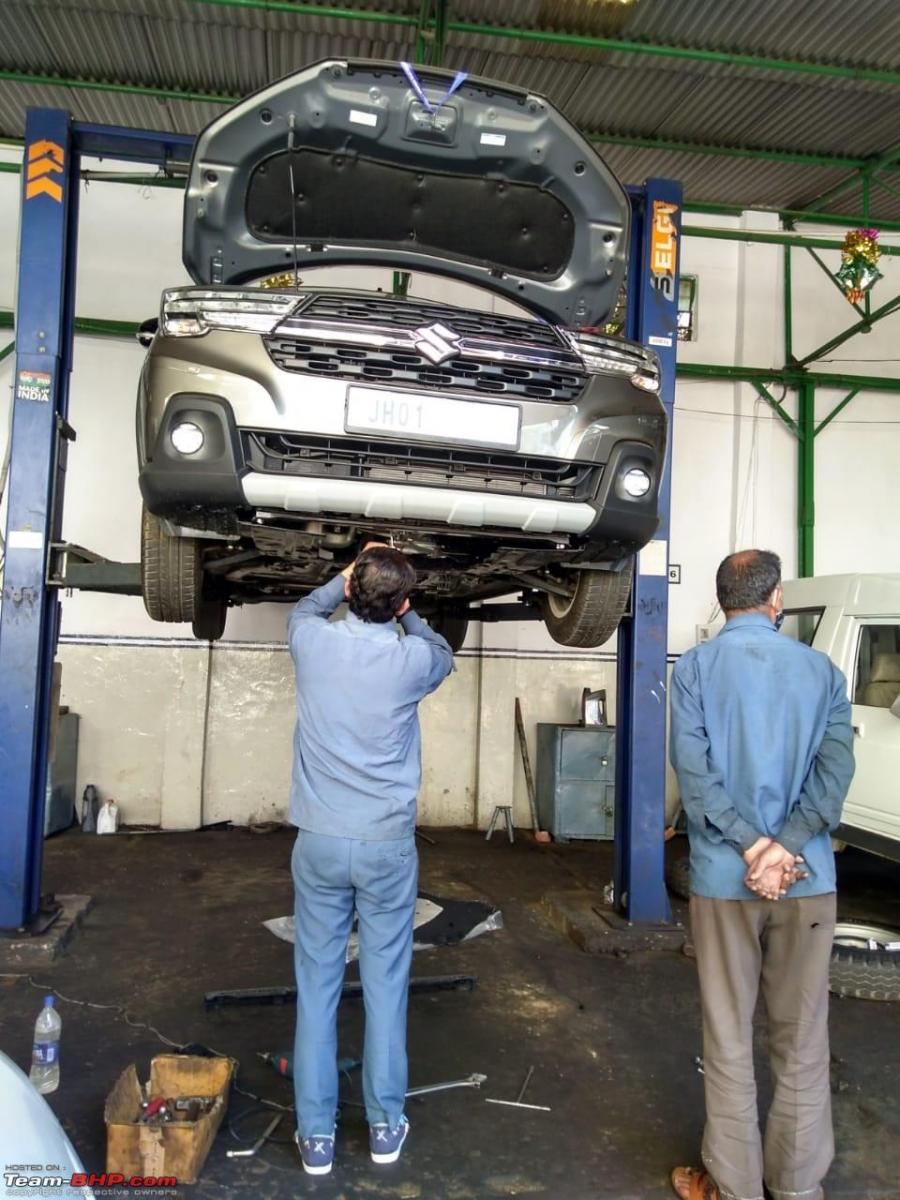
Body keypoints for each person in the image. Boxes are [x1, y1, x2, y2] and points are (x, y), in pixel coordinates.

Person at [669, 549, 855, 1200]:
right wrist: (786, 847)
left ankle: (733, 1186)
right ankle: (798, 1188)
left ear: (725, 602)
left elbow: (696, 780)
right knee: (801, 1039)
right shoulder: (823, 672)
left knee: (727, 1035)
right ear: (775, 599)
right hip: (807, 881)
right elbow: (833, 783)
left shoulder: (694, 670)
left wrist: (751, 847)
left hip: (725, 882)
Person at [286, 544, 454, 1176]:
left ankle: (315, 1138)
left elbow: (307, 606)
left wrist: (345, 575)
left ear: (350, 587)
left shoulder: (311, 643)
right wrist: (406, 612)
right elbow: (441, 649)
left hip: (320, 841)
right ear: (404, 605)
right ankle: (385, 1127)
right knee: (385, 987)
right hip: (386, 847)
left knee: (317, 986)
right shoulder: (414, 659)